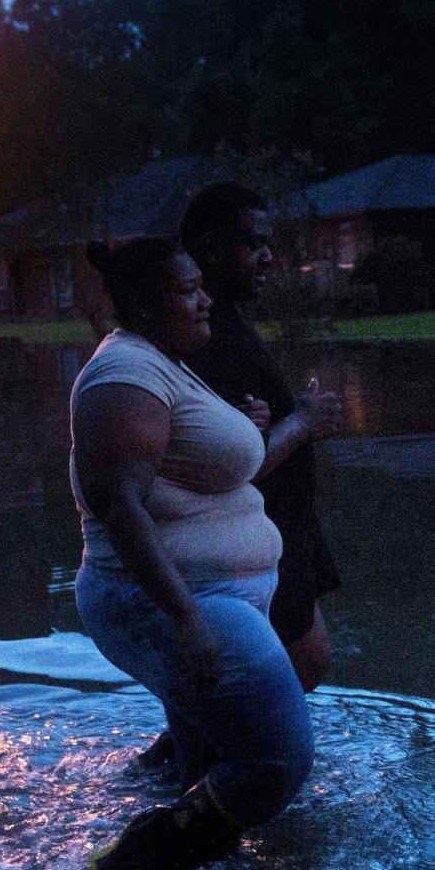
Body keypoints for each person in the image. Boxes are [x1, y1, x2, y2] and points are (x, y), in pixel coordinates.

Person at [70, 236, 317, 870]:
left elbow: (182, 469)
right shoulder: (125, 372)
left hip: (215, 595)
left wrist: (239, 429)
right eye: (189, 289)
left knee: (209, 755)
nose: (206, 298)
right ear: (150, 303)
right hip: (182, 600)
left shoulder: (160, 363)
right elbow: (117, 502)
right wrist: (186, 618)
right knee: (278, 757)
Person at [176, 181, 345, 689]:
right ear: (208, 248)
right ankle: (198, 764)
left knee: (290, 666)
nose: (269, 258)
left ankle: (184, 761)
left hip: (280, 529)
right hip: (254, 535)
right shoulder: (203, 336)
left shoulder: (225, 324)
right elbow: (228, 460)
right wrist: (304, 422)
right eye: (253, 244)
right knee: (296, 666)